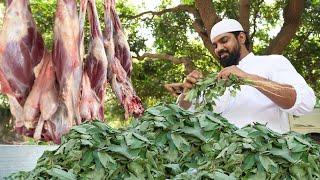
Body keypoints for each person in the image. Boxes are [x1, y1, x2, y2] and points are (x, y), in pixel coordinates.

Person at [165, 19, 316, 133]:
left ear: (241, 38)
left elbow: (305, 103)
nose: (219, 49)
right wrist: (187, 93)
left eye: (224, 40)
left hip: (266, 164)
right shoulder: (216, 81)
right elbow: (187, 113)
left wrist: (247, 78)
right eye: (215, 45)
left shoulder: (272, 62)